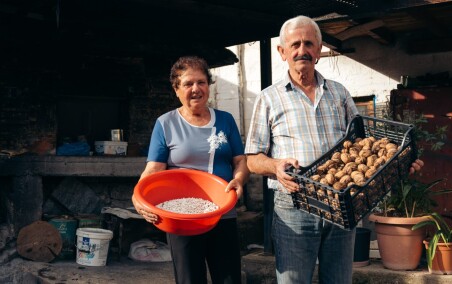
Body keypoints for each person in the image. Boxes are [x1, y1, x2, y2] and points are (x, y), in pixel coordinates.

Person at [244, 15, 424, 284]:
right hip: (295, 206)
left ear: (318, 50)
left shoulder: (339, 93)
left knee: (339, 280)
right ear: (282, 52)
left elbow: (366, 144)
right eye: (294, 44)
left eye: (308, 43)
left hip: (343, 204)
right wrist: (275, 166)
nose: (301, 50)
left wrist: (397, 160)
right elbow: (252, 160)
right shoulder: (269, 98)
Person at [132, 55, 249, 284]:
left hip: (223, 212)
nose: (196, 89)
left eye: (201, 82)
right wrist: (138, 197)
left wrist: (239, 180)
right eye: (188, 84)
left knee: (229, 279)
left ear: (208, 85)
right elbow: (153, 169)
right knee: (190, 279)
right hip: (182, 218)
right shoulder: (166, 123)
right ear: (176, 90)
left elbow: (240, 161)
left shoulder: (225, 120)